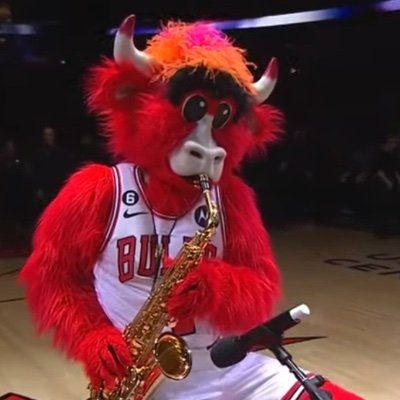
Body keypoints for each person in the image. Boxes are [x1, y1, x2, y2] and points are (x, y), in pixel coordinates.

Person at [19, 16, 363, 399]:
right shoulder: (101, 188)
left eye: (222, 118)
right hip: (146, 380)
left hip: (228, 365)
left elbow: (260, 286)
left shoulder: (230, 198)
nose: (207, 143)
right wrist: (91, 336)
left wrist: (219, 286)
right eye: (192, 110)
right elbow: (55, 280)